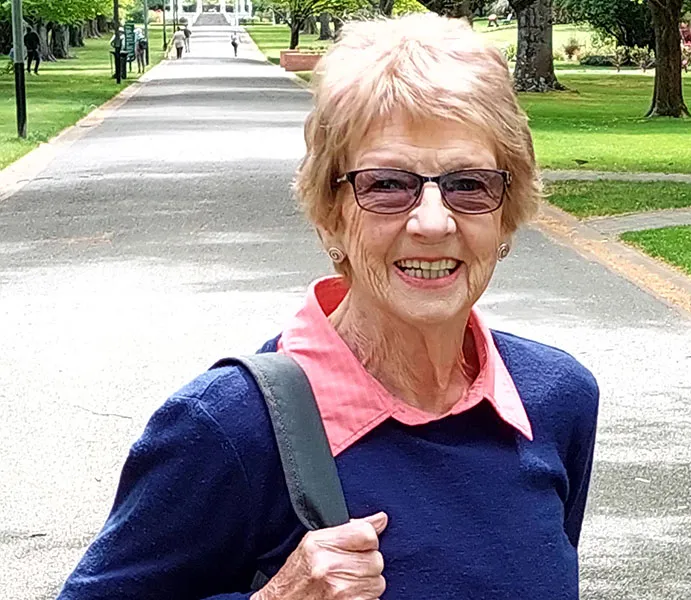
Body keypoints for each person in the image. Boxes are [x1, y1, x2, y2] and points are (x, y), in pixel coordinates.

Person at [56, 13, 599, 600]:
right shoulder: (229, 428)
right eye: (387, 184)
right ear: (330, 216)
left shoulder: (557, 398)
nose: (434, 222)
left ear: (506, 214)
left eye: (470, 184)